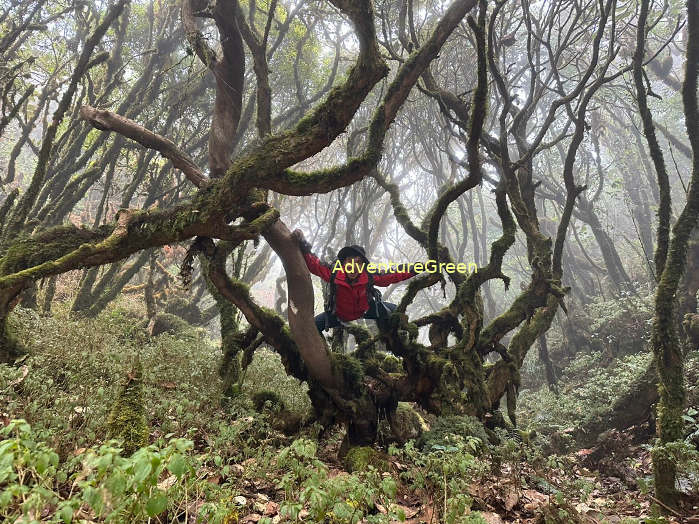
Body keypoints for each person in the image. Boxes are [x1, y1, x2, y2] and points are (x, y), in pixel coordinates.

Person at [291, 229, 416, 333]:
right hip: (338, 315)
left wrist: (417, 268)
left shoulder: (369, 275)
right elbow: (314, 264)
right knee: (312, 327)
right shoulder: (334, 273)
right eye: (350, 261)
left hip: (366, 310)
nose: (354, 266)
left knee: (395, 311)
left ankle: (393, 339)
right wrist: (303, 243)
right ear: (343, 263)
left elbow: (393, 274)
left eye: (359, 262)